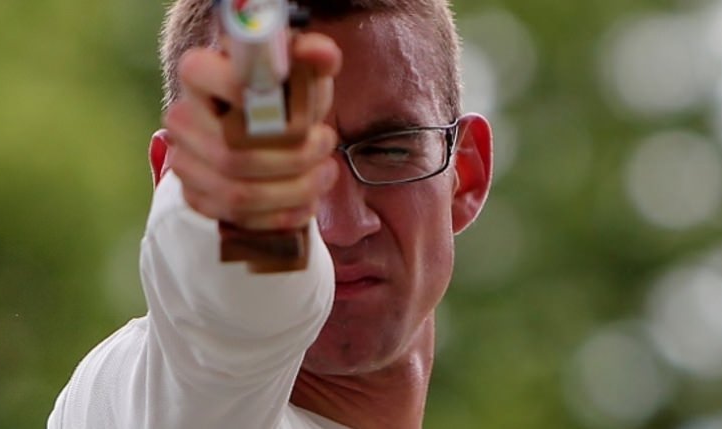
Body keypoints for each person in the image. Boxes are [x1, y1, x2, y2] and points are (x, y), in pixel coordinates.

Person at [47, 0, 493, 427]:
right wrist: (241, 229)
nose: (341, 226)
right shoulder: (131, 398)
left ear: (467, 174)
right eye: (267, 165)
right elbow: (225, 330)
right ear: (174, 177)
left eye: (390, 151)